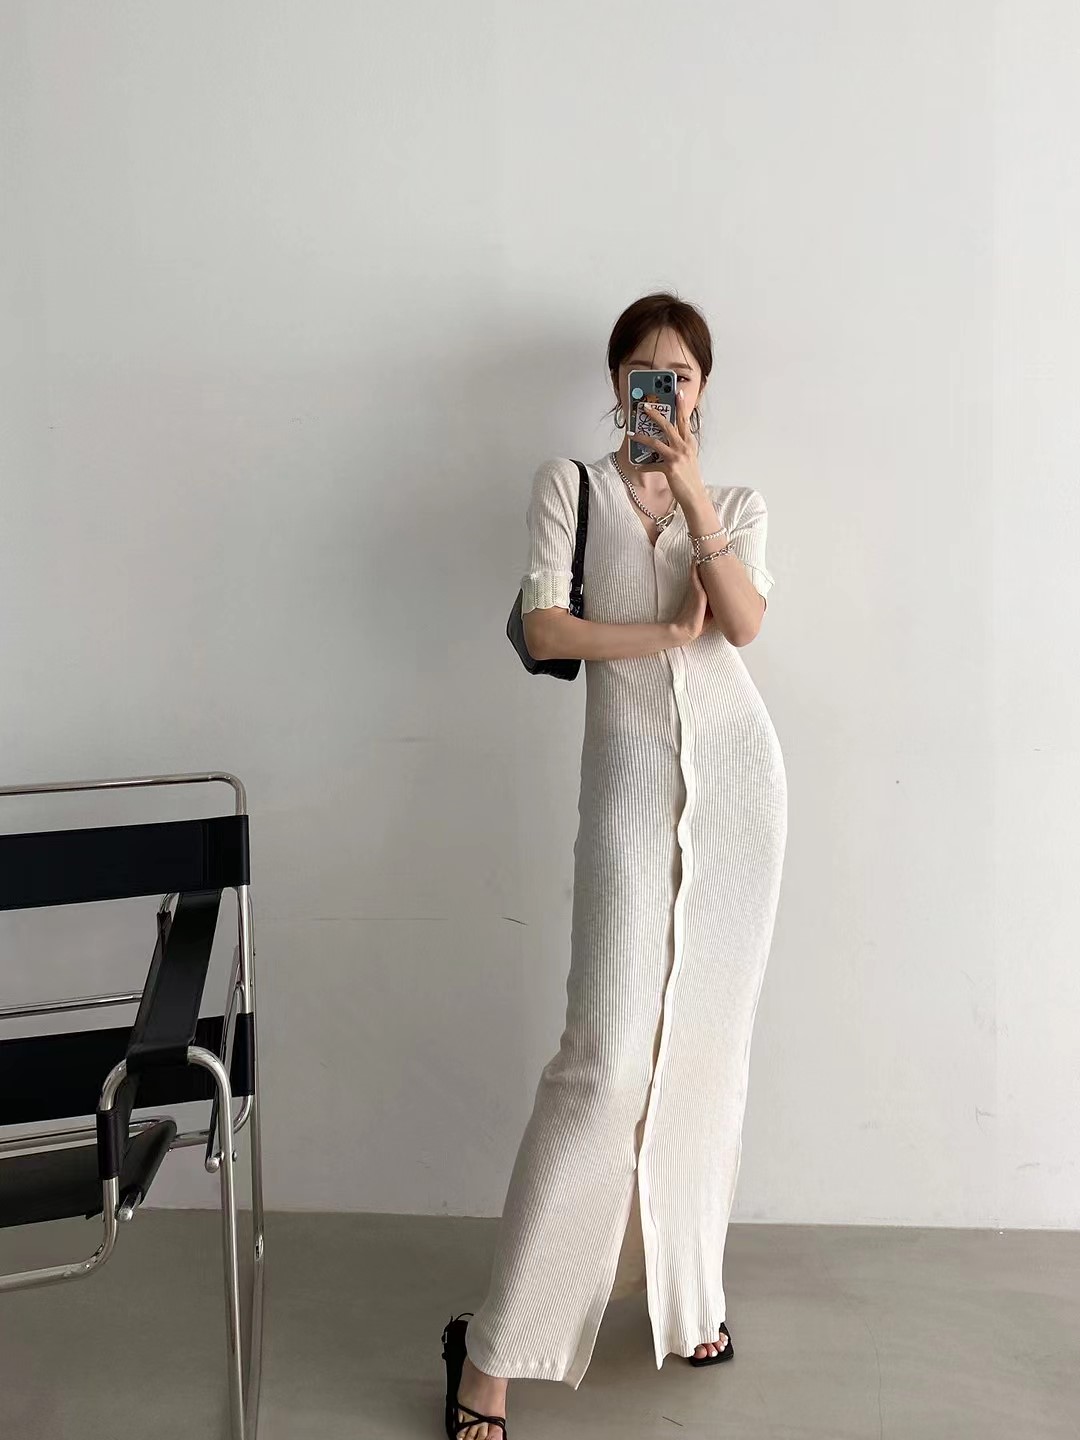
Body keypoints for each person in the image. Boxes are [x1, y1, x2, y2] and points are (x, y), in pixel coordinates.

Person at [442, 292, 788, 1440]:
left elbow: (744, 624)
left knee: (707, 1057)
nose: (663, 388)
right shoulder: (571, 488)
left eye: (681, 374)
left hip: (738, 798)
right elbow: (546, 630)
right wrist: (661, 637)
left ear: (704, 389)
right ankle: (491, 1357)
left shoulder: (735, 503)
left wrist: (693, 492)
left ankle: (691, 1299)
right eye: (644, 372)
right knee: (600, 1062)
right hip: (633, 794)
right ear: (615, 384)